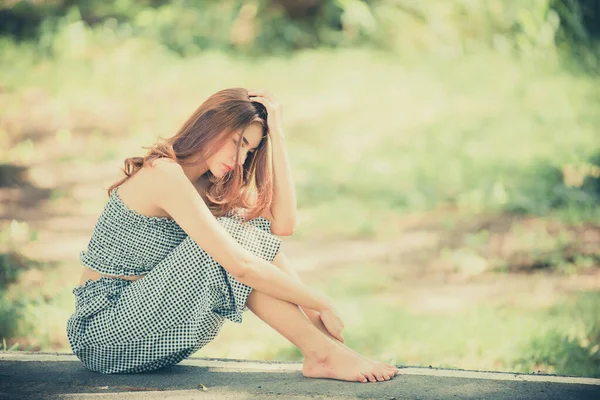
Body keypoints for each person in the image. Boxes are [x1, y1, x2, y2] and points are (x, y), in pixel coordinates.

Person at [66, 87, 398, 383]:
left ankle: (327, 349)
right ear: (211, 125)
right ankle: (321, 352)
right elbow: (240, 267)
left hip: (154, 331)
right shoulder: (163, 174)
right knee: (231, 241)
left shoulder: (208, 187)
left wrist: (277, 135)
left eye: (249, 151)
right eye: (239, 142)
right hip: (103, 336)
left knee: (246, 227)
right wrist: (320, 300)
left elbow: (282, 225)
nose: (241, 159)